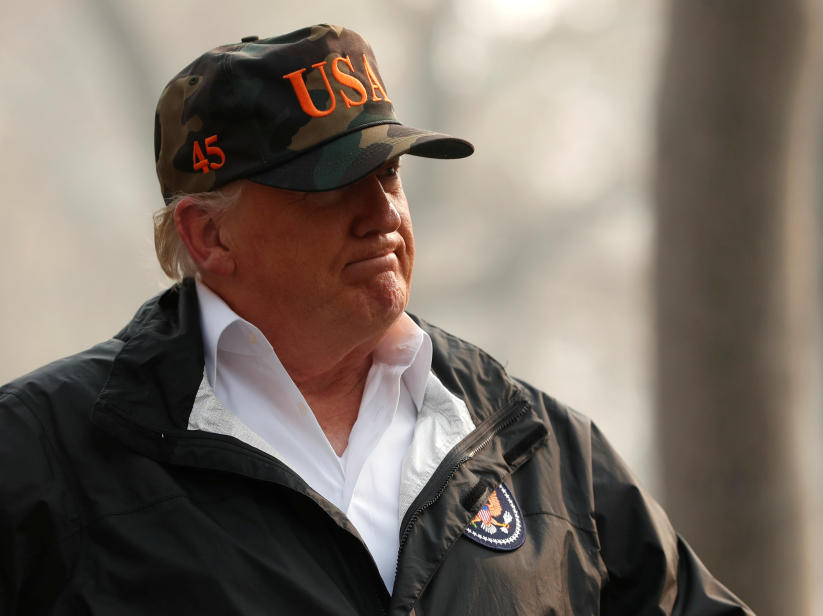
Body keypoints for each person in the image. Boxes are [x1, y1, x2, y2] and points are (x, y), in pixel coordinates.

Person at [0, 24, 753, 615]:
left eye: (389, 171)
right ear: (209, 234)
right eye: (329, 185)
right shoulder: (42, 456)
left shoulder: (541, 450)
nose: (384, 213)